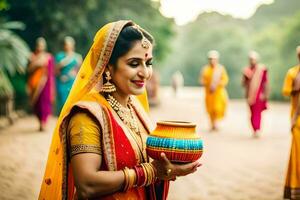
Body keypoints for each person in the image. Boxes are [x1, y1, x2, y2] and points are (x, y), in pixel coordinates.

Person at [39, 20, 201, 200]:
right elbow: (87, 184)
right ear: (108, 66)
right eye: (134, 63)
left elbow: (154, 167)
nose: (145, 73)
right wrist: (152, 172)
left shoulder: (136, 109)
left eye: (148, 63)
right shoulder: (87, 116)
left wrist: (170, 167)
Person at [282, 46, 300, 200]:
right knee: (297, 153)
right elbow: (286, 91)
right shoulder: (292, 73)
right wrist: (296, 88)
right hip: (297, 117)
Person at [27, 37, 55, 131]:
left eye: (42, 45)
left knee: (45, 103)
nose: (40, 47)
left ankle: (44, 123)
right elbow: (29, 70)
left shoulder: (48, 57)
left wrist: (52, 87)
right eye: (39, 45)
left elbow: (50, 74)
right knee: (37, 104)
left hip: (45, 83)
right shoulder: (32, 56)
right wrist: (36, 64)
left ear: (44, 46)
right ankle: (40, 122)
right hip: (34, 84)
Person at [199, 50, 229, 131]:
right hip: (209, 94)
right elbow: (202, 80)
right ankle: (212, 124)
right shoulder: (205, 69)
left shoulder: (220, 69)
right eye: (210, 59)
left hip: (218, 93)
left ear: (217, 60)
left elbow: (225, 79)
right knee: (210, 109)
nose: (212, 61)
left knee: (217, 108)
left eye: (214, 59)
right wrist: (205, 83)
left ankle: (215, 123)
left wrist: (219, 83)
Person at [242, 51, 269, 137]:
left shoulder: (262, 69)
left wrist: (265, 94)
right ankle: (254, 129)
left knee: (257, 113)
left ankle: (257, 129)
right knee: (252, 113)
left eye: (253, 59)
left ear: (257, 60)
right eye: (250, 59)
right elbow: (243, 84)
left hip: (259, 94)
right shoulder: (246, 70)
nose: (252, 61)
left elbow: (265, 83)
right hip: (250, 95)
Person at [55, 36, 82, 114]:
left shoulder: (77, 57)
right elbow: (56, 70)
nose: (67, 46)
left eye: (69, 44)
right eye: (66, 44)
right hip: (62, 82)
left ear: (73, 45)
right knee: (63, 103)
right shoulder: (60, 56)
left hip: (73, 83)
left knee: (72, 104)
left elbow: (81, 72)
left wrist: (74, 74)